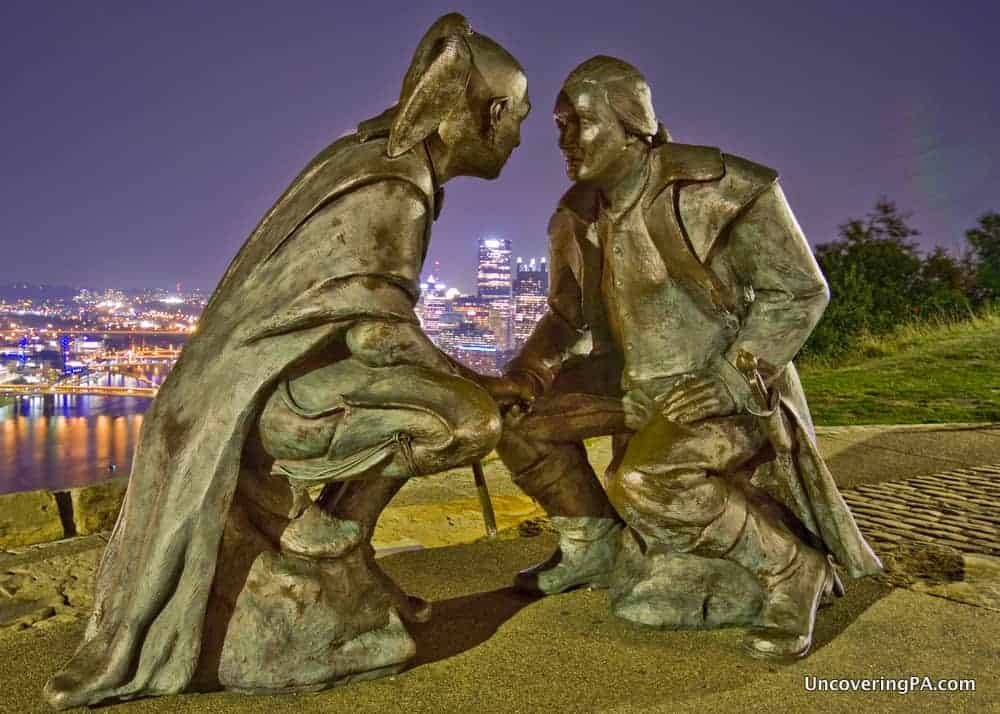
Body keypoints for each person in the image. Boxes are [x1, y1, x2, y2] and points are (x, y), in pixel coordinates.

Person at [45, 14, 530, 709]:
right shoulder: (396, 188)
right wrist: (480, 382)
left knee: (455, 408)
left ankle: (335, 544)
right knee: (471, 422)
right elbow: (377, 341)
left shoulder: (373, 162)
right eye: (514, 115)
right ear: (482, 114)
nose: (518, 134)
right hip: (272, 406)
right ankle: (327, 536)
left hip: (261, 393)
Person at [487, 56, 881, 660]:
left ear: (633, 125)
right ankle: (591, 546)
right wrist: (528, 371)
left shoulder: (723, 190)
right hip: (628, 380)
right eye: (559, 124)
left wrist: (732, 375)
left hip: (716, 387)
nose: (564, 139)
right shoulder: (575, 214)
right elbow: (566, 318)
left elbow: (800, 290)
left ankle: (788, 568)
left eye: (581, 122)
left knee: (645, 481)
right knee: (514, 426)